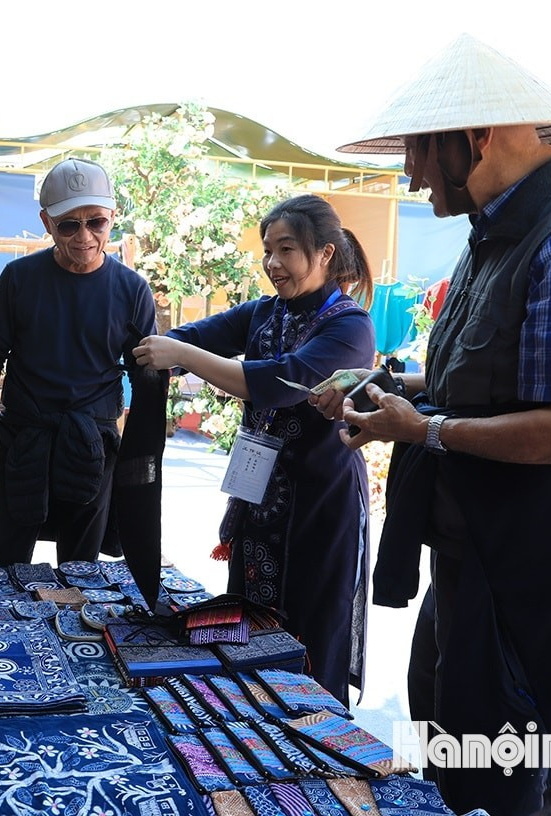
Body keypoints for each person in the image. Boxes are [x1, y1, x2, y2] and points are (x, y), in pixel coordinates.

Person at [315, 34, 551, 815]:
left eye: (418, 150)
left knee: (523, 775)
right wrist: (384, 387)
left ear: (477, 137)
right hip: (489, 545)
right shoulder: (499, 234)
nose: (411, 174)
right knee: (467, 752)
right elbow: (483, 382)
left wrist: (425, 432)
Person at [133, 194, 375, 706]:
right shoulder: (264, 314)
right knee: (249, 625)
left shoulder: (350, 326)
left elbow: (281, 383)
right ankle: (259, 737)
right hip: (259, 503)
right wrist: (150, 350)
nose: (272, 264)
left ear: (325, 253)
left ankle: (322, 747)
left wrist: (183, 355)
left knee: (311, 633)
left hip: (321, 505)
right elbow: (193, 337)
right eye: (267, 251)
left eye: (285, 250)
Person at [0, 158, 160, 573]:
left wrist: (138, 459)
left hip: (92, 444)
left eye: (97, 222)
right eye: (69, 225)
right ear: (46, 223)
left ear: (112, 219)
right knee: (3, 563)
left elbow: (148, 379)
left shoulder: (132, 290)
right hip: (23, 441)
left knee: (81, 571)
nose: (85, 236)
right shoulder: (20, 278)